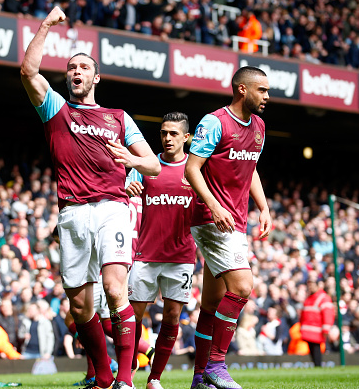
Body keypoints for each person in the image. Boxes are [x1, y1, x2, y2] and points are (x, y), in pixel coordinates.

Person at [20, 7, 160, 389]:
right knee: (80, 307)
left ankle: (126, 380)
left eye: (83, 67)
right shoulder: (56, 111)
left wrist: (131, 160)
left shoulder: (118, 116)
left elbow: (152, 165)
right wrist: (46, 25)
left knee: (115, 289)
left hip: (111, 208)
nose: (76, 72)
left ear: (96, 77)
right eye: (71, 68)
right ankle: (102, 377)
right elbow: (28, 72)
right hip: (72, 213)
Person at [184, 66, 271, 389]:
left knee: (210, 304)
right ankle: (216, 365)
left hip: (235, 219)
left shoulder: (259, 127)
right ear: (242, 90)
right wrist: (215, 204)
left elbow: (251, 168)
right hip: (211, 218)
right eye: (261, 90)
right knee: (243, 286)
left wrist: (263, 206)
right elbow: (192, 170)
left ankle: (199, 378)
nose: (267, 97)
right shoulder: (214, 122)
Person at [126, 112, 197, 389]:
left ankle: (154, 378)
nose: (167, 138)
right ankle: (126, 373)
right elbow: (122, 191)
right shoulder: (146, 164)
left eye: (174, 134)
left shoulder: (194, 170)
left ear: (186, 138)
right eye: (164, 133)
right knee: (133, 316)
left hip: (181, 258)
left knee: (171, 317)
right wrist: (127, 188)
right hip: (146, 255)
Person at [300, 280, 335, 367]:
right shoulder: (309, 298)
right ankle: (316, 365)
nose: (310, 287)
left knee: (316, 349)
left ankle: (318, 365)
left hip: (317, 329)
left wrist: (326, 329)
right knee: (311, 349)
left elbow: (327, 314)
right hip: (309, 329)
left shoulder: (323, 298)